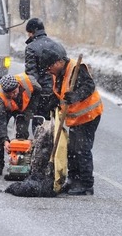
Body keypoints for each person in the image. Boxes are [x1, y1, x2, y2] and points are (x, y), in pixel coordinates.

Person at [41, 48, 103, 195]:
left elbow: (89, 86)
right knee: (72, 149)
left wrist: (76, 96)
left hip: (88, 115)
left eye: (49, 66)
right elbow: (60, 93)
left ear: (59, 62)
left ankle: (86, 184)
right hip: (75, 118)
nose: (48, 70)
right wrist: (51, 103)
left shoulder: (76, 68)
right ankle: (73, 180)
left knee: (82, 149)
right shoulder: (58, 73)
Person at [0, 73, 42, 175]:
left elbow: (38, 91)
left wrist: (31, 109)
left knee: (22, 133)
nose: (12, 95)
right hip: (7, 110)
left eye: (14, 92)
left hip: (24, 108)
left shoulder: (29, 82)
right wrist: (5, 141)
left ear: (18, 86)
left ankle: (20, 163)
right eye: (9, 94)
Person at [24, 18, 67, 123]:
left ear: (31, 32)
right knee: (54, 124)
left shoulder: (31, 48)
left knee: (39, 124)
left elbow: (31, 75)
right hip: (57, 93)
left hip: (41, 95)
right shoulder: (58, 45)